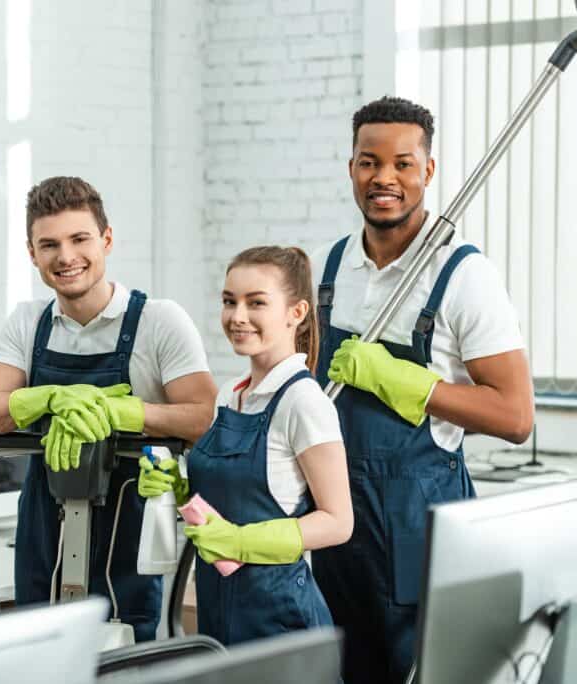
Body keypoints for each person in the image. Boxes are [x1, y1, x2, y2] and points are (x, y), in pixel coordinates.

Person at [309, 96, 534, 683]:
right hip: (341, 530)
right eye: (369, 162)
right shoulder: (331, 269)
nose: (385, 178)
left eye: (403, 163)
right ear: (351, 166)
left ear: (427, 171)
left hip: (422, 529)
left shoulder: (464, 276)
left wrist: (407, 382)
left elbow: (515, 417)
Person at [0, 176, 217, 643]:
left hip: (130, 519)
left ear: (107, 239)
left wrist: (121, 413)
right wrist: (51, 398)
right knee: (38, 651)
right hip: (44, 518)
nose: (65, 256)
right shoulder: (29, 322)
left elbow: (202, 416)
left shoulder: (158, 321)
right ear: (32, 252)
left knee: (124, 653)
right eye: (49, 244)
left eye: (79, 239)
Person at [139, 246, 353, 647]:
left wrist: (241, 543)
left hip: (279, 618)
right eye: (229, 301)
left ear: (297, 313)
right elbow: (225, 501)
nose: (237, 317)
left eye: (256, 303)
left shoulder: (304, 402)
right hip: (219, 611)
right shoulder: (229, 395)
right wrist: (178, 486)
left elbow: (338, 522)